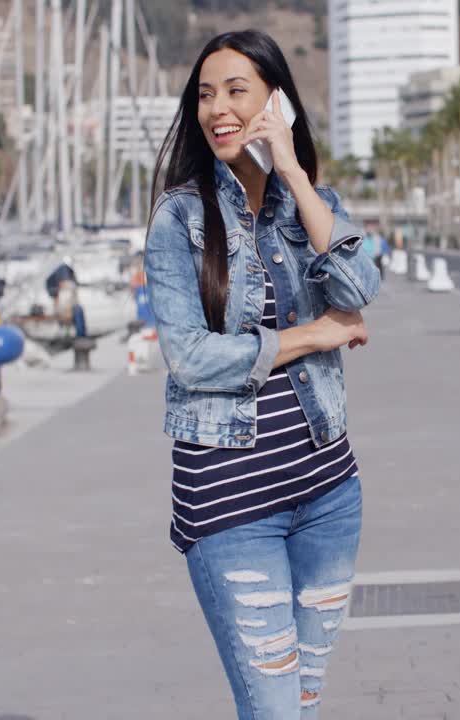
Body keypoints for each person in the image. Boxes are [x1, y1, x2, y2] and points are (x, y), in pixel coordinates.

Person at [143, 30, 380, 720]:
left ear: (277, 104)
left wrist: (295, 176)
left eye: (236, 91)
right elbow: (189, 357)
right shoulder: (179, 218)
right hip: (232, 508)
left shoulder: (311, 207)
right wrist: (312, 335)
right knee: (273, 710)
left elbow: (359, 287)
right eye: (205, 95)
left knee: (301, 704)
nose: (217, 108)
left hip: (329, 495)